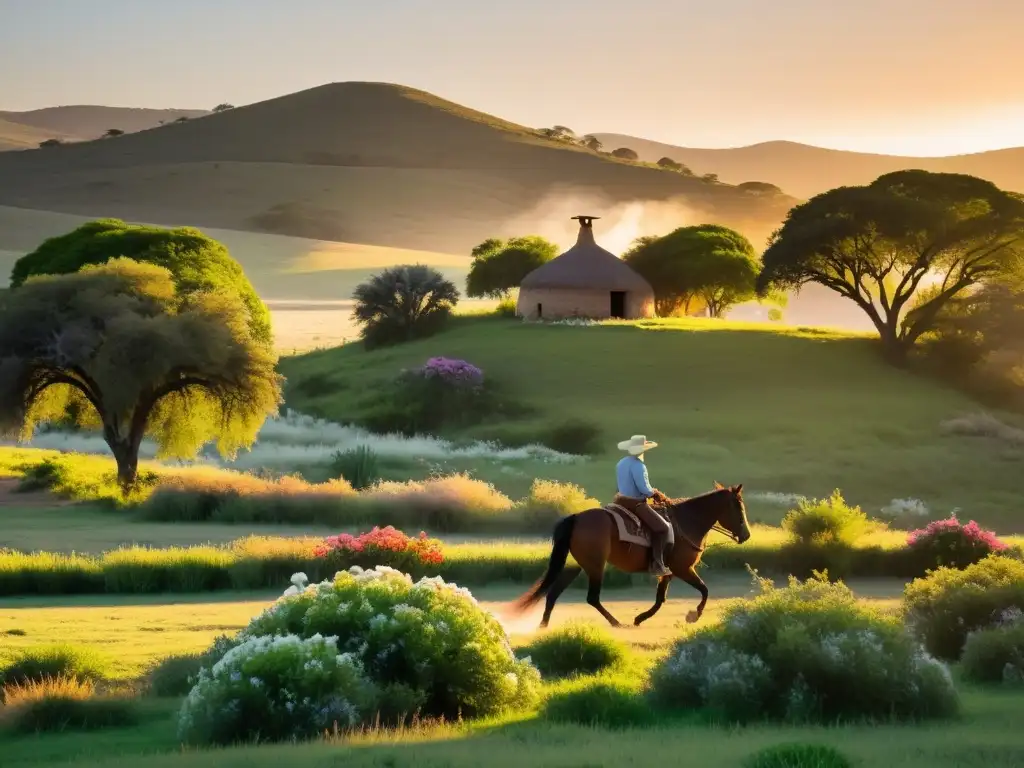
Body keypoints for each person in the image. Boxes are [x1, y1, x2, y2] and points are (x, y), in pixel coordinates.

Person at [614, 434, 672, 576]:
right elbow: (644, 489)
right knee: (663, 528)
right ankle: (657, 564)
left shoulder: (621, 462)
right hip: (635, 504)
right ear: (643, 449)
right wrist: (656, 494)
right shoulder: (639, 466)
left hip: (620, 501)